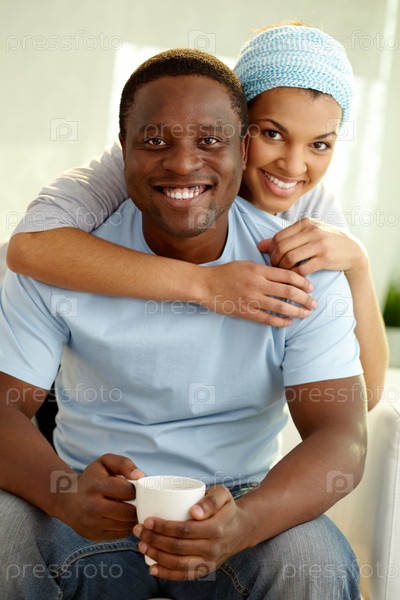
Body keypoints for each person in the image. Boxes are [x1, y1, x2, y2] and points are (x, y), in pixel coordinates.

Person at [0, 48, 366, 599]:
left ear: (242, 150)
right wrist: (64, 495)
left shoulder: (299, 265)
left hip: (239, 503)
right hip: (88, 502)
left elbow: (342, 434)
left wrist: (245, 521)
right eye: (154, 141)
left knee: (312, 558)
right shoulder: (64, 257)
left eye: (210, 141)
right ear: (123, 150)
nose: (182, 163)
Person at [6, 23, 388, 410]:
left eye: (319, 144)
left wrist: (358, 265)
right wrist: (205, 284)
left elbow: (364, 397)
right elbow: (29, 250)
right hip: (71, 371)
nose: (293, 165)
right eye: (272, 134)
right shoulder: (151, 165)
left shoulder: (312, 213)